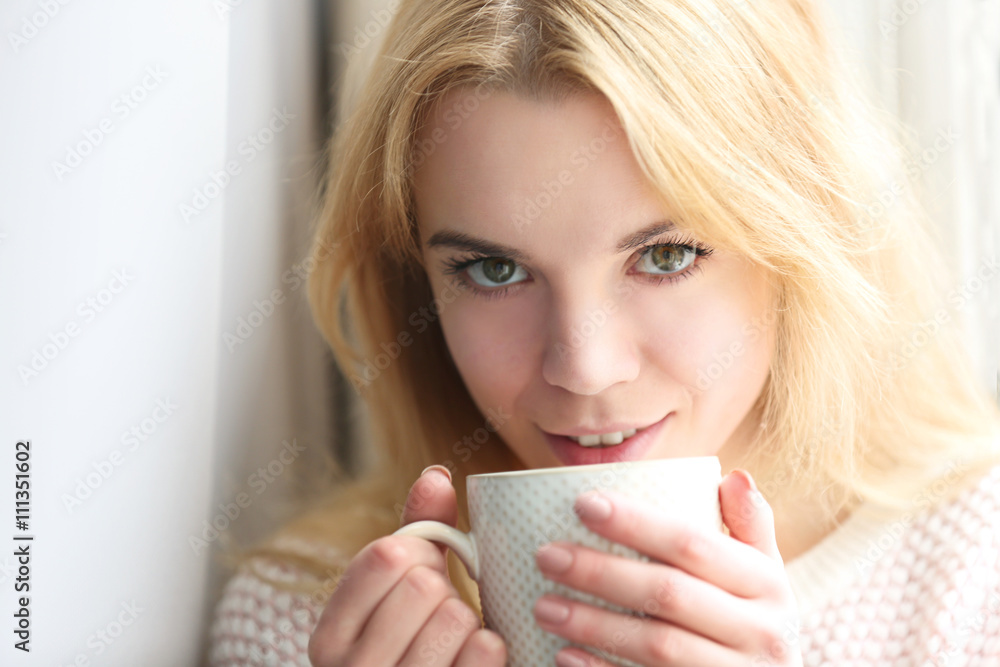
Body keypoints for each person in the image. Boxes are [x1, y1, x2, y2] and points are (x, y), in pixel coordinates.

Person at [206, 0, 1000, 665]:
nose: (585, 367)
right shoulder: (309, 620)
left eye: (665, 255)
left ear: (797, 235)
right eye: (492, 270)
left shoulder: (975, 574)